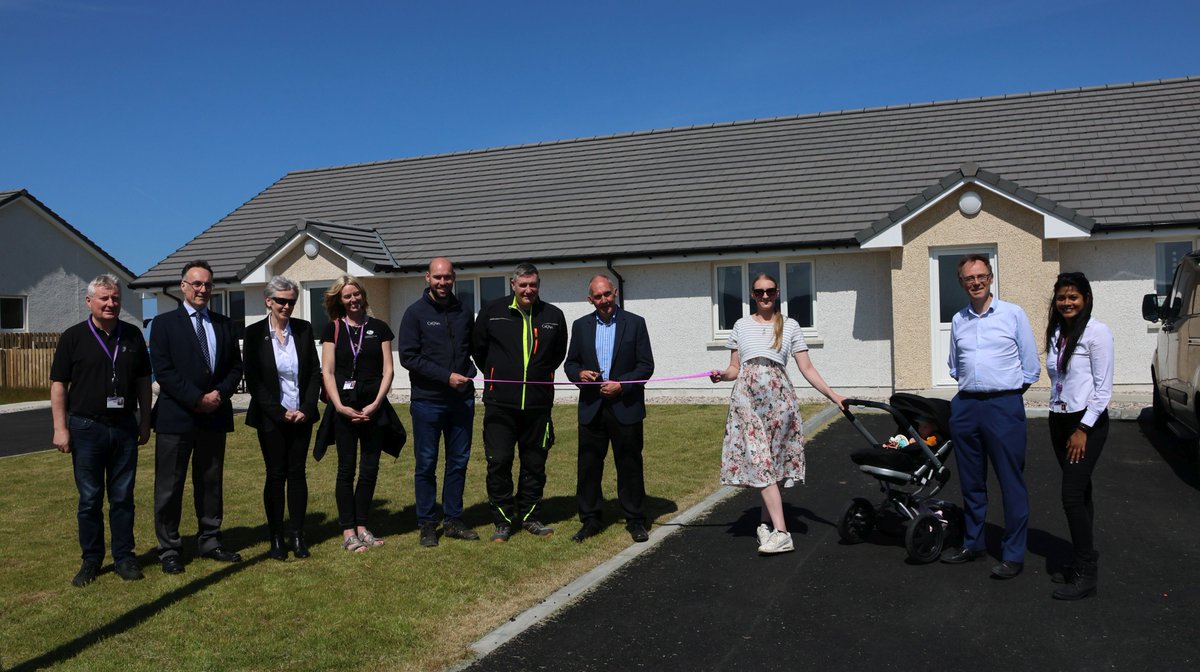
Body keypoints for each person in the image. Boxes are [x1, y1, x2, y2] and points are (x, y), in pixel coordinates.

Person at [709, 272, 846, 555]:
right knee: (760, 460)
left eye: (770, 291)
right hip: (746, 400)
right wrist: (722, 375)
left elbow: (807, 369)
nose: (765, 296)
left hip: (779, 402)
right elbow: (734, 368)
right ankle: (782, 532)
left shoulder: (791, 326)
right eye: (759, 292)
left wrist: (835, 396)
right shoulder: (740, 325)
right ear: (752, 295)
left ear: (778, 292)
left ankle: (768, 524)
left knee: (770, 463)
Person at [940, 254, 1040, 579]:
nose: (976, 282)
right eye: (969, 278)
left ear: (991, 278)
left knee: (1011, 482)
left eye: (981, 276)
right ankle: (974, 543)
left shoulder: (1013, 314)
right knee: (971, 482)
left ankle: (1012, 554)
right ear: (962, 283)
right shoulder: (958, 320)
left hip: (1004, 406)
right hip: (967, 406)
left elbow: (1030, 368)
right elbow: (955, 365)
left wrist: (1004, 395)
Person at [50, 274, 153, 586]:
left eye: (116, 299)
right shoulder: (73, 337)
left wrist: (145, 420)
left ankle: (124, 557)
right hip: (85, 427)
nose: (111, 304)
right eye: (104, 299)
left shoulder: (133, 335)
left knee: (122, 497)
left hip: (123, 427)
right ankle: (91, 560)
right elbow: (58, 385)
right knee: (90, 499)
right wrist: (60, 428)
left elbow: (143, 383)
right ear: (89, 302)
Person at [149, 260, 245, 574]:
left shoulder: (224, 323)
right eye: (196, 284)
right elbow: (164, 370)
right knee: (169, 486)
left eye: (207, 284)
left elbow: (235, 367)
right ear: (183, 286)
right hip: (176, 417)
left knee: (210, 482)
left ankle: (210, 539)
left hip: (214, 416)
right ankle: (170, 548)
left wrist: (219, 394)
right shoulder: (164, 324)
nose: (202, 289)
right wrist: (196, 398)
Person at [472, 262, 568, 542]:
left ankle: (530, 515)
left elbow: (557, 354)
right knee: (499, 461)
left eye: (533, 285)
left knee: (535, 463)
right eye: (523, 285)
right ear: (513, 285)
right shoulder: (492, 312)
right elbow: (478, 349)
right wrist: (495, 374)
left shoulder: (553, 315)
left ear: (539, 286)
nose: (528, 290)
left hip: (538, 405)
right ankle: (503, 519)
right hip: (500, 404)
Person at [315, 275, 405, 553]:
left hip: (373, 407)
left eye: (356, 294)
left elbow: (388, 370)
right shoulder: (333, 329)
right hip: (344, 407)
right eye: (346, 296)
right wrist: (340, 406)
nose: (353, 300)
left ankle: (363, 526)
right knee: (346, 470)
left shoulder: (379, 328)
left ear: (363, 296)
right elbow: (327, 371)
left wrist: (377, 403)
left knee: (369, 470)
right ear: (339, 301)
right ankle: (347, 530)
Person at [564, 275, 655, 543]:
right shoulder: (580, 326)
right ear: (589, 299)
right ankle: (590, 519)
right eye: (598, 297)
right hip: (592, 407)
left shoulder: (635, 323)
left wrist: (622, 385)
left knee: (629, 464)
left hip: (625, 406)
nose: (604, 301)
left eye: (607, 294)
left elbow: (645, 366)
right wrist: (580, 373)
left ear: (614, 293)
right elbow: (570, 365)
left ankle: (635, 519)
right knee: (589, 465)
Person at [399, 257, 480, 547]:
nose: (443, 283)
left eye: (447, 277)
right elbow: (408, 356)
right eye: (438, 277)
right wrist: (446, 377)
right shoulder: (415, 314)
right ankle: (427, 523)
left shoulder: (463, 311)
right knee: (427, 464)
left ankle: (454, 519)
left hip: (461, 402)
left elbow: (472, 349)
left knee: (458, 462)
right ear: (427, 278)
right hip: (428, 402)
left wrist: (473, 373)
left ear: (454, 278)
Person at [1044, 272, 1113, 600]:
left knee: (1071, 495)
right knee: (1081, 492)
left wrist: (1082, 429)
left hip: (1085, 424)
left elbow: (1103, 389)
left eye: (1073, 297)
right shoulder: (1058, 331)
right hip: (1058, 419)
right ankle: (1082, 558)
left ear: (1085, 298)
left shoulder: (1097, 333)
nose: (1067, 303)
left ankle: (1086, 571)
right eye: (1061, 298)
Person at [243, 276, 322, 561]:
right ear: (269, 301)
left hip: (301, 415)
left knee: (297, 474)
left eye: (291, 301)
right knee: (275, 475)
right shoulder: (253, 334)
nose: (286, 306)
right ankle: (276, 538)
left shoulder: (302, 330)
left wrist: (307, 407)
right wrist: (279, 412)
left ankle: (298, 536)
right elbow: (253, 379)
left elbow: (314, 371)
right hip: (271, 418)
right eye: (281, 301)